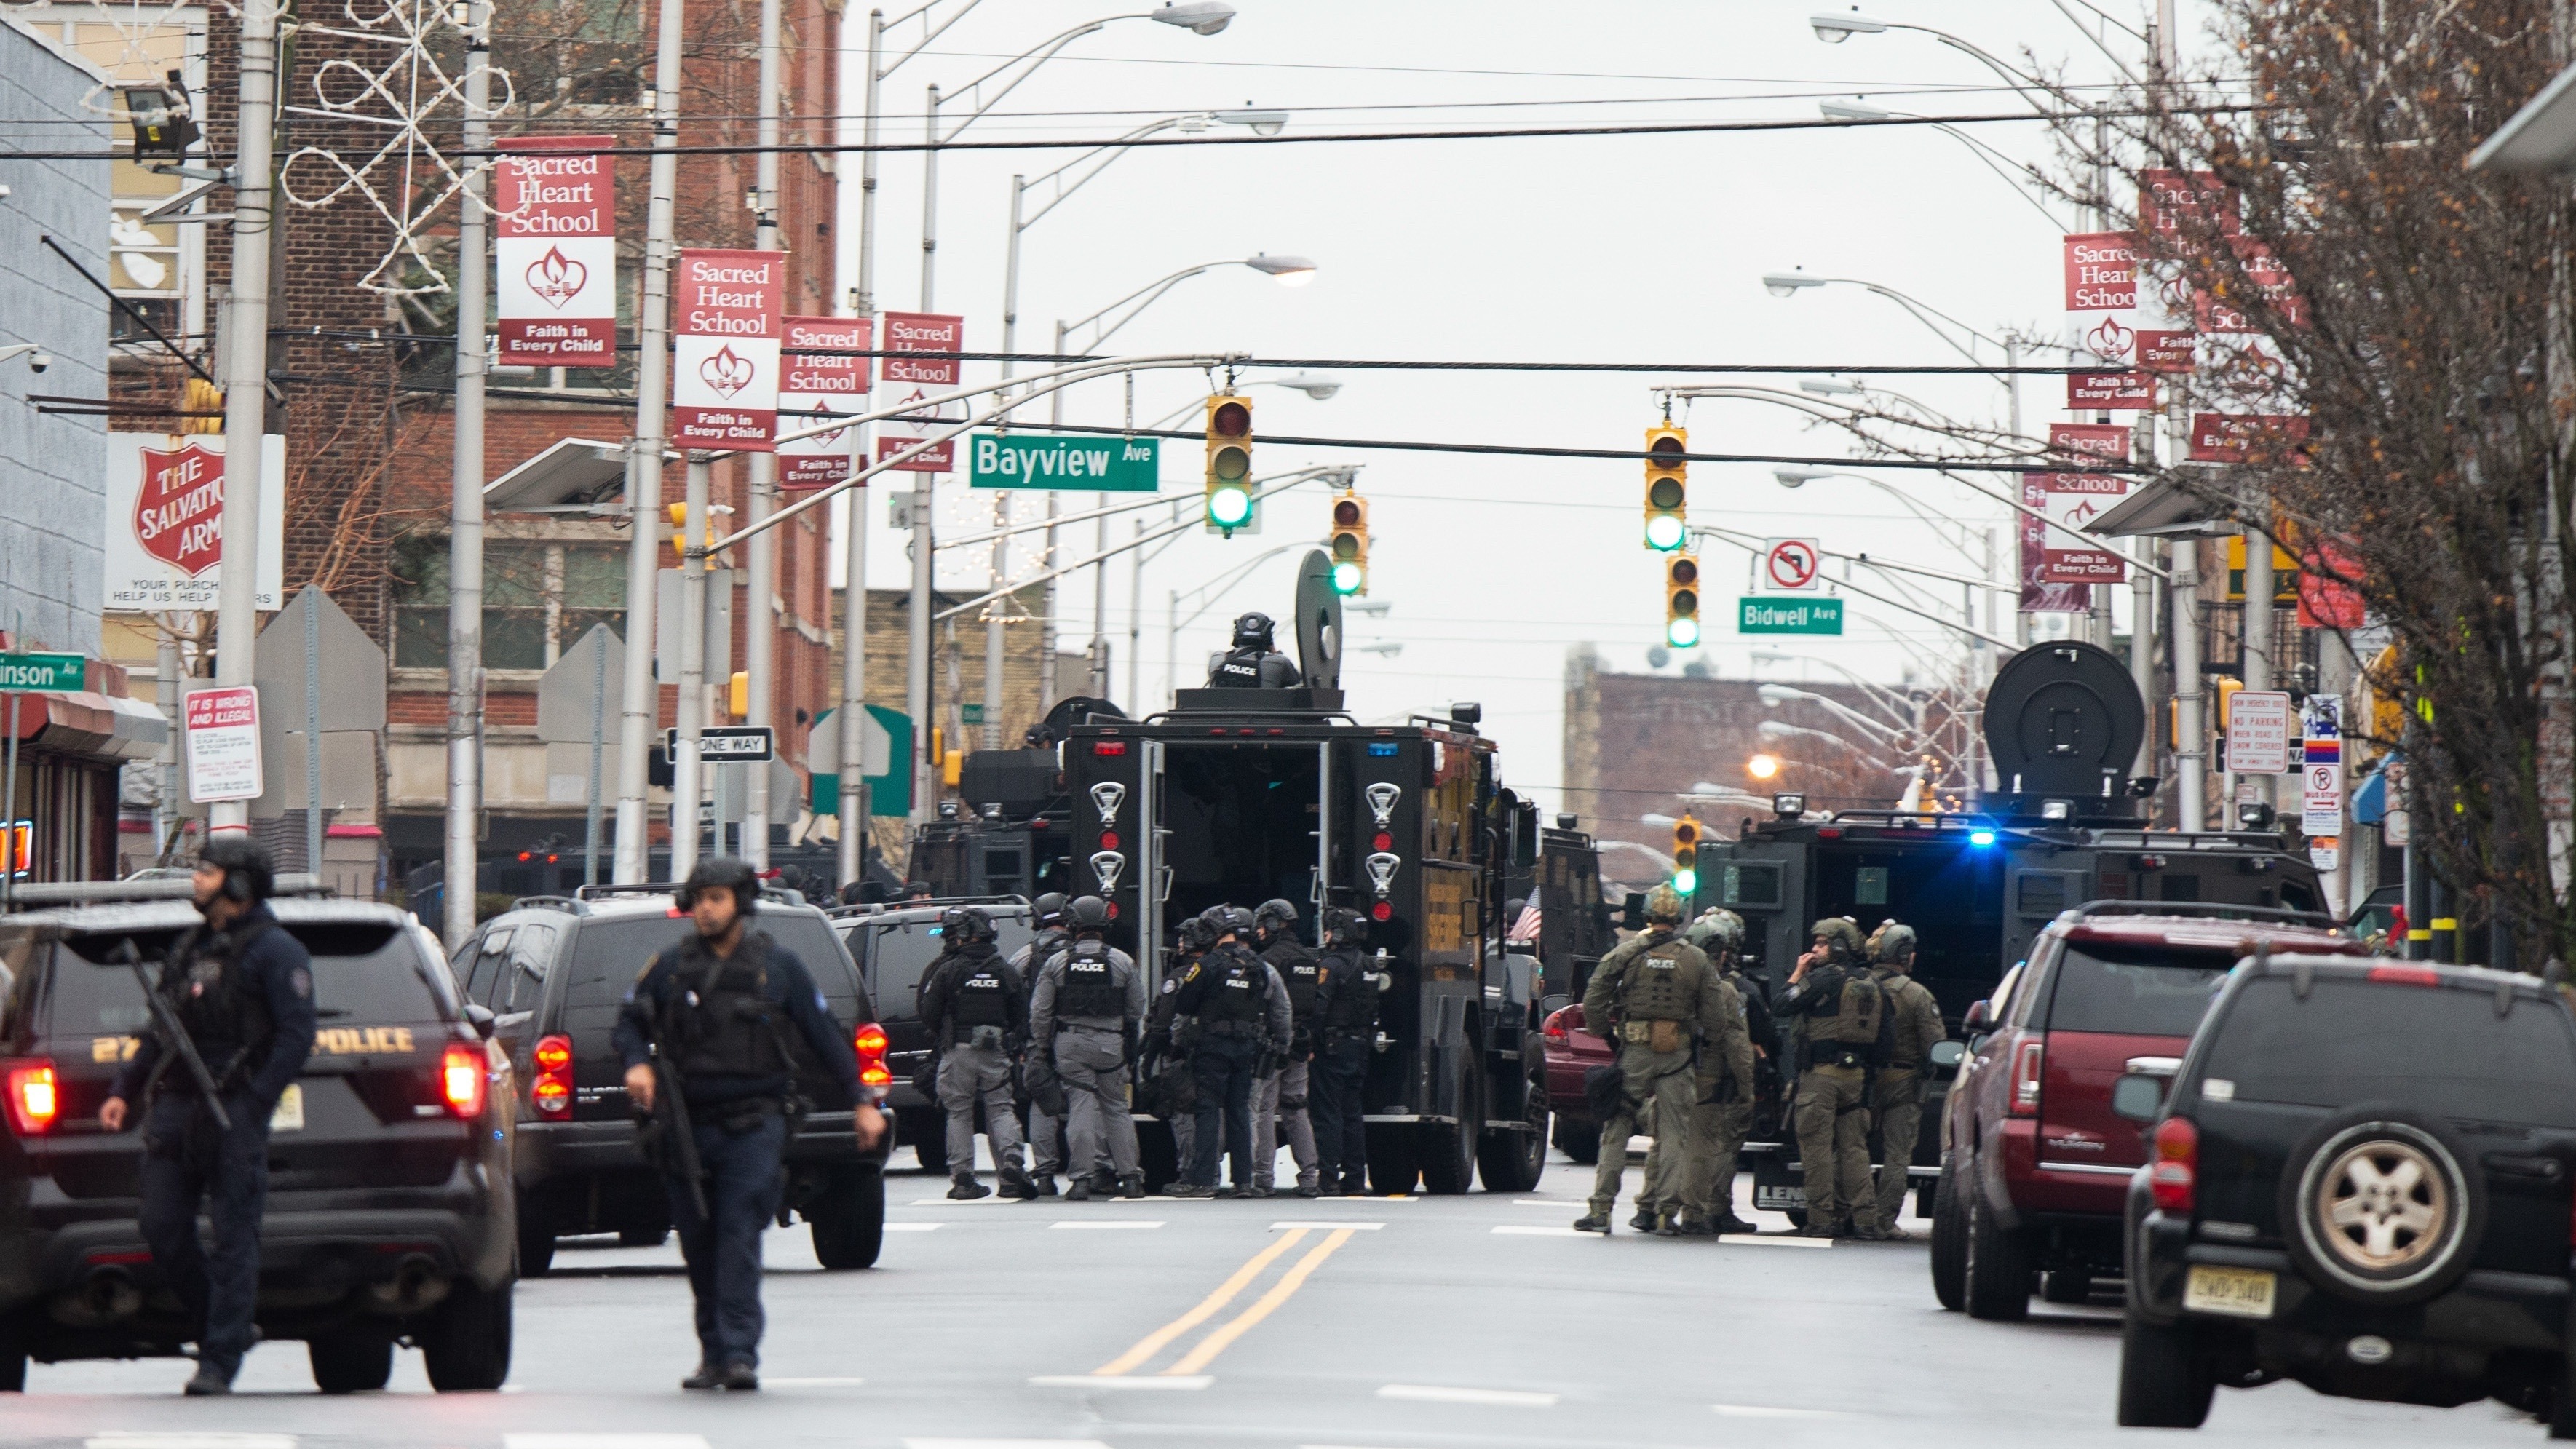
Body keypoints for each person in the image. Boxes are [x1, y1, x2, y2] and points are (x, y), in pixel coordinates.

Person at [614, 857, 885, 1389]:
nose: (707, 909)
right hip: (687, 1127)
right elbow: (628, 1021)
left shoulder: (778, 967)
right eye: (701, 899)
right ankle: (713, 1351)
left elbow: (825, 1035)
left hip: (754, 1125)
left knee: (738, 1229)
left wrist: (861, 1100)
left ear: (740, 903)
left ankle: (739, 1351)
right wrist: (637, 1062)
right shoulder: (670, 965)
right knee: (698, 1237)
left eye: (717, 898)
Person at [99, 838, 319, 1394]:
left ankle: (218, 1360)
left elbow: (296, 1037)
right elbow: (159, 1030)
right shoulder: (190, 947)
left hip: (233, 1108)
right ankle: (220, 1325)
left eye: (207, 871)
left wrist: (255, 1103)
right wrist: (124, 1088)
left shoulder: (277, 951)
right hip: (177, 1106)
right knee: (162, 1226)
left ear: (240, 885)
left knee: (233, 1236)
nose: (196, 879)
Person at [1574, 884, 1738, 1235]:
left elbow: (1594, 999)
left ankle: (1601, 1209)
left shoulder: (1627, 952)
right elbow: (1715, 1019)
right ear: (1679, 918)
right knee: (1674, 1134)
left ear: (1647, 915)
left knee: (1616, 1128)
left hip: (1634, 1051)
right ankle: (1665, 1213)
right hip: (1677, 1054)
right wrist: (1704, 1039)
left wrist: (1607, 1034)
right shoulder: (1696, 959)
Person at [1773, 917, 1888, 1239]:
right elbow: (1885, 1040)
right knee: (1855, 1150)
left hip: (1820, 1080)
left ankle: (1821, 1220)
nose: (1814, 948)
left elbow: (1782, 1004)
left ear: (1838, 946)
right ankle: (1866, 1221)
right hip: (1856, 1080)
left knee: (1817, 1150)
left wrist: (1798, 973)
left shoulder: (1822, 980)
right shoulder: (1872, 983)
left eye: (1822, 943)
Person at [1029, 895, 1146, 1199]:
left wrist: (1043, 1047)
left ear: (1073, 923)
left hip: (1071, 1043)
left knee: (1080, 1106)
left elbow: (1040, 1012)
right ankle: (1131, 1179)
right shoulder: (1122, 961)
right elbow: (1136, 1009)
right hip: (1111, 1043)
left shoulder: (1057, 962)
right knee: (1117, 1109)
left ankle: (1081, 1181)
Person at [916, 905, 1035, 1201]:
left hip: (959, 1049)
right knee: (1001, 1107)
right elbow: (1022, 1013)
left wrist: (944, 1032)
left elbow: (928, 1011)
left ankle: (964, 1179)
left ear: (965, 935)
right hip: (995, 1051)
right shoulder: (1005, 970)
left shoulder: (948, 969)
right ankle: (1011, 1162)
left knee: (958, 1112)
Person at [1167, 906, 1288, 1197]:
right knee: (1239, 1111)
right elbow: (1276, 1008)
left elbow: (1184, 1004)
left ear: (1214, 933)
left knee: (1208, 1110)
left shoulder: (1207, 965)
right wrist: (1282, 1044)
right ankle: (1244, 1182)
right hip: (1247, 1047)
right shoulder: (1259, 965)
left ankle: (1204, 1180)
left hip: (1213, 1046)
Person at [1859, 922, 1945, 1239]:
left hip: (1862, 1078)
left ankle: (1855, 1214)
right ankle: (1883, 1221)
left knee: (1854, 1148)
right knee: (1897, 1154)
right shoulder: (1917, 994)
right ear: (1905, 955)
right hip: (1904, 1081)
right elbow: (1935, 1046)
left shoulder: (1858, 986)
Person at [1248, 898, 1324, 1197]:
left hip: (1273, 1045)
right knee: (1296, 1108)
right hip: (1302, 1045)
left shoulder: (1268, 962)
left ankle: (1264, 1178)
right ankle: (1310, 1177)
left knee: (1266, 1108)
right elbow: (1319, 1004)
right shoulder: (1310, 959)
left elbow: (1265, 1005)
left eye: (1263, 925)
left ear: (1272, 925)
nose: (1259, 932)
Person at [1307, 908, 1379, 1195]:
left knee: (1328, 1113)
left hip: (1332, 1047)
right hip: (1360, 1045)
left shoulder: (1331, 966)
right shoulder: (1370, 964)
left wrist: (1308, 1041)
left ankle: (1328, 1178)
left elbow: (1319, 1007)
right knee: (1352, 1113)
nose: (1325, 935)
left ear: (1337, 933)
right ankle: (1355, 1179)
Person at [1012, 893, 1072, 1195]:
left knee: (1042, 1104)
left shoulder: (1027, 954)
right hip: (1078, 1039)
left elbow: (1011, 994)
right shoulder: (1088, 952)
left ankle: (1046, 1173)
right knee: (1089, 1104)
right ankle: (1094, 1171)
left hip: (1039, 1041)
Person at [1205, 611, 1301, 688]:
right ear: (1268, 637)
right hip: (1261, 713)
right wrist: (1273, 649)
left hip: (1221, 713)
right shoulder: (1279, 662)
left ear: (1237, 634)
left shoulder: (1218, 658)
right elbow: (1296, 681)